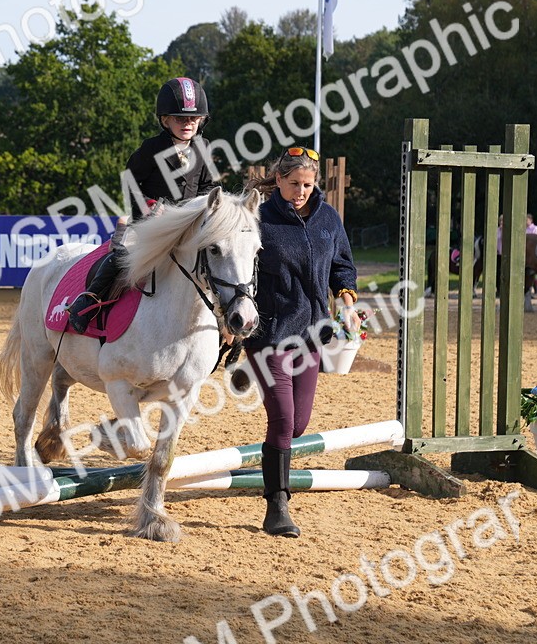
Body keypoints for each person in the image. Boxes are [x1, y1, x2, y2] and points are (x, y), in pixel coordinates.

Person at [242, 146, 358, 537]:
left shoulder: (328, 217)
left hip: (311, 335)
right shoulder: (258, 219)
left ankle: (274, 465)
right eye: (294, 184)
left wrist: (346, 301)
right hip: (268, 335)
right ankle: (278, 506)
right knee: (283, 419)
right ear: (278, 180)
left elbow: (342, 264)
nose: (301, 191)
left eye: (308, 185)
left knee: (299, 425)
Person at [67, 76, 217, 333]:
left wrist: (198, 209)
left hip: (187, 224)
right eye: (180, 118)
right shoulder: (151, 148)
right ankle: (89, 299)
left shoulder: (204, 148)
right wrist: (148, 207)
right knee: (123, 251)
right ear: (164, 120)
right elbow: (130, 183)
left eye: (193, 119)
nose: (188, 124)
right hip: (151, 223)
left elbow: (208, 186)